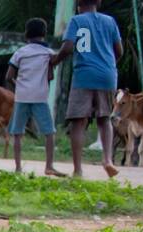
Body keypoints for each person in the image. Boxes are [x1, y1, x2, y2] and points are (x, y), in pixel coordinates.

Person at [50, 0, 124, 178]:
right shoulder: (110, 21)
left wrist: (54, 61)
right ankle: (107, 160)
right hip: (108, 76)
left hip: (84, 76)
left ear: (77, 3)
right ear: (98, 2)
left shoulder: (77, 21)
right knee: (104, 119)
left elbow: (67, 48)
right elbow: (119, 51)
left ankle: (78, 170)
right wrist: (108, 66)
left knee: (78, 122)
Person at [7, 18, 65, 177]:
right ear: (44, 34)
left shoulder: (20, 52)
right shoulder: (48, 53)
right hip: (39, 97)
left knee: (17, 133)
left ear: (26, 34)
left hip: (22, 96)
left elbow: (9, 76)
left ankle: (18, 168)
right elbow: (52, 71)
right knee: (49, 133)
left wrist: (18, 87)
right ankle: (49, 166)